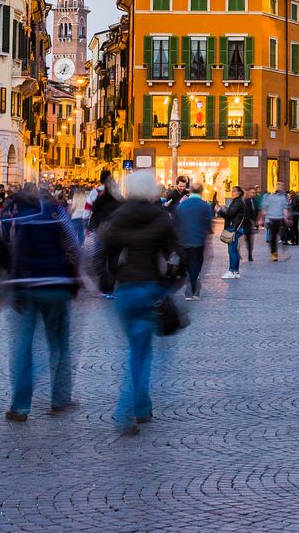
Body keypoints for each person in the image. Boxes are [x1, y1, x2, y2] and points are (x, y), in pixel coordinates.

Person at [99, 170, 184, 434]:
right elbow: (178, 254)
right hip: (149, 287)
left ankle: (141, 406)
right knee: (142, 351)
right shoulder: (160, 217)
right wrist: (170, 283)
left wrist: (108, 279)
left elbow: (101, 251)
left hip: (125, 291)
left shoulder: (118, 216)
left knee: (135, 348)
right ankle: (129, 409)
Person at [3, 186, 81, 421]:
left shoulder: (21, 217)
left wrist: (14, 286)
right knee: (59, 345)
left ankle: (20, 406)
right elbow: (74, 244)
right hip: (56, 284)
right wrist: (74, 277)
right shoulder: (57, 212)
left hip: (27, 287)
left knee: (24, 347)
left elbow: (13, 251)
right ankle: (59, 399)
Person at [174, 180, 213, 300]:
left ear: (190, 191)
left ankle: (188, 290)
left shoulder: (182, 205)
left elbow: (176, 222)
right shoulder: (205, 205)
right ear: (201, 192)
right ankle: (193, 291)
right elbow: (208, 224)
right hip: (198, 240)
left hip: (183, 240)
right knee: (195, 264)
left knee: (186, 263)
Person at [218, 186, 247, 279]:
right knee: (234, 250)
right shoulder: (238, 201)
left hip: (234, 228)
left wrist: (219, 210)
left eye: (234, 191)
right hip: (236, 227)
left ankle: (232, 271)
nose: (232, 193)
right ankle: (235, 271)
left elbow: (229, 214)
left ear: (239, 192)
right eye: (232, 191)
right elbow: (231, 213)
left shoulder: (237, 202)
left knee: (232, 251)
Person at [260, 182, 290, 262]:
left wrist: (286, 218)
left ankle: (284, 252)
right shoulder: (268, 196)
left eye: (282, 186)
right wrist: (261, 219)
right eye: (279, 186)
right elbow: (264, 208)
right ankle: (274, 253)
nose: (280, 188)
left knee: (283, 236)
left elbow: (284, 208)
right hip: (271, 219)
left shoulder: (283, 197)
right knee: (273, 237)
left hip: (280, 219)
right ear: (276, 187)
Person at [241, 187, 258, 262]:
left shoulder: (254, 201)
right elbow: (245, 212)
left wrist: (255, 220)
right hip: (244, 223)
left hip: (250, 223)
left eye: (254, 193)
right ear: (248, 193)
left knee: (249, 240)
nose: (254, 194)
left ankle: (250, 254)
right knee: (244, 239)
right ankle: (239, 253)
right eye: (252, 193)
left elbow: (255, 211)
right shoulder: (245, 201)